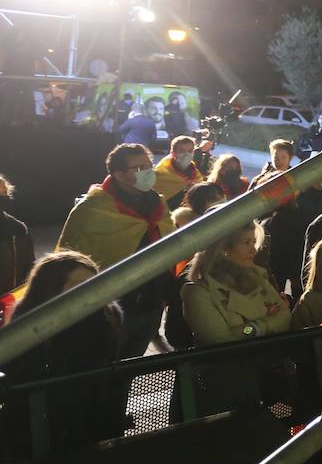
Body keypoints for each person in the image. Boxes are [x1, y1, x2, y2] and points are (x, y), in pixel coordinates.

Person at [56, 143, 177, 357]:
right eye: (139, 168)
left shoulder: (158, 203)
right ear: (119, 175)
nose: (148, 172)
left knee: (131, 368)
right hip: (108, 308)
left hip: (150, 304)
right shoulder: (92, 208)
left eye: (149, 166)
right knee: (102, 369)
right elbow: (67, 259)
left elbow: (170, 245)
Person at [2, 251, 124, 454]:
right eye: (78, 284)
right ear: (50, 288)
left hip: (91, 415)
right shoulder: (26, 324)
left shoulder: (108, 315)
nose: (89, 290)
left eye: (93, 282)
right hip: (38, 424)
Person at [180, 219, 290, 345]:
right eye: (246, 242)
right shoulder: (198, 293)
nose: (253, 250)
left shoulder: (258, 277)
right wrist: (260, 326)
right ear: (223, 248)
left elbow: (285, 317)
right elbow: (220, 341)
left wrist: (247, 329)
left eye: (254, 242)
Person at [0, 173, 35, 299]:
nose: (3, 197)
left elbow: (29, 267)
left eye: (4, 192)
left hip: (10, 299)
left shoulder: (18, 229)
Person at [153, 135, 205, 207]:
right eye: (181, 151)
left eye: (190, 151)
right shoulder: (160, 174)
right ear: (173, 153)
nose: (187, 154)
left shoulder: (195, 172)